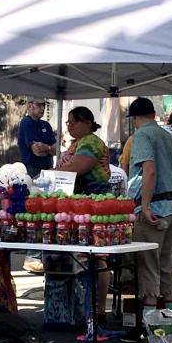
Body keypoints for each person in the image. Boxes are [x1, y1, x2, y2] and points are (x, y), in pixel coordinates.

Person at [55, 106, 113, 328]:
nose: (69, 126)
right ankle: (80, 308)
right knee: (84, 255)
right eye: (68, 123)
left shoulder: (91, 142)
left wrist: (48, 174)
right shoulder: (76, 143)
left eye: (73, 122)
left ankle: (97, 310)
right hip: (77, 205)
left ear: (87, 122)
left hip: (94, 204)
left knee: (96, 256)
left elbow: (77, 167)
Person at [126, 97, 172, 310]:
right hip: (171, 208)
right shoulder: (169, 137)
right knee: (166, 265)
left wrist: (146, 206)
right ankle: (171, 322)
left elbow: (149, 170)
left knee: (148, 267)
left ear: (135, 118)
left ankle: (151, 327)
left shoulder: (142, 135)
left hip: (152, 210)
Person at [17, 100, 55, 274]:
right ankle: (32, 256)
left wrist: (46, 148)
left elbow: (54, 149)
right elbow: (36, 151)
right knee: (37, 213)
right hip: (33, 170)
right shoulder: (26, 124)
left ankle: (42, 254)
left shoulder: (46, 124)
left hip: (47, 171)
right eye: (39, 105)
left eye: (44, 106)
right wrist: (46, 148)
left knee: (48, 212)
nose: (42, 108)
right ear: (30, 105)